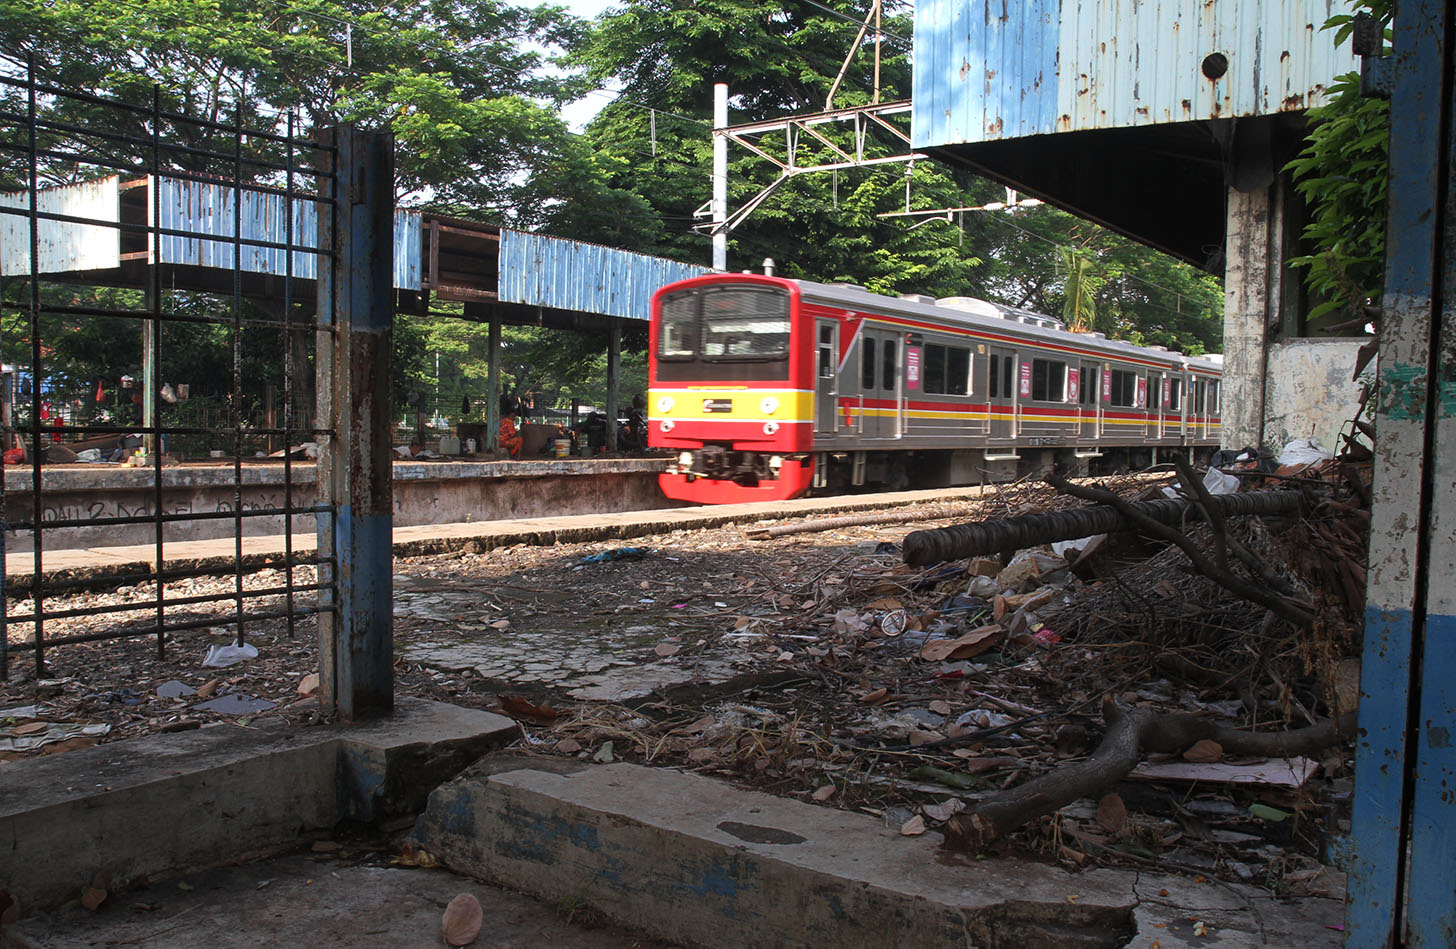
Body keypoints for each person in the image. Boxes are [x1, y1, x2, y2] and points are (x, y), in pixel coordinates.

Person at [498, 394, 523, 459]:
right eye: (513, 416)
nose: (514, 417)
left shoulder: (502, 421)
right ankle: (514, 455)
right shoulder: (509, 422)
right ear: (510, 415)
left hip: (497, 441)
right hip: (503, 442)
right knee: (519, 439)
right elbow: (512, 433)